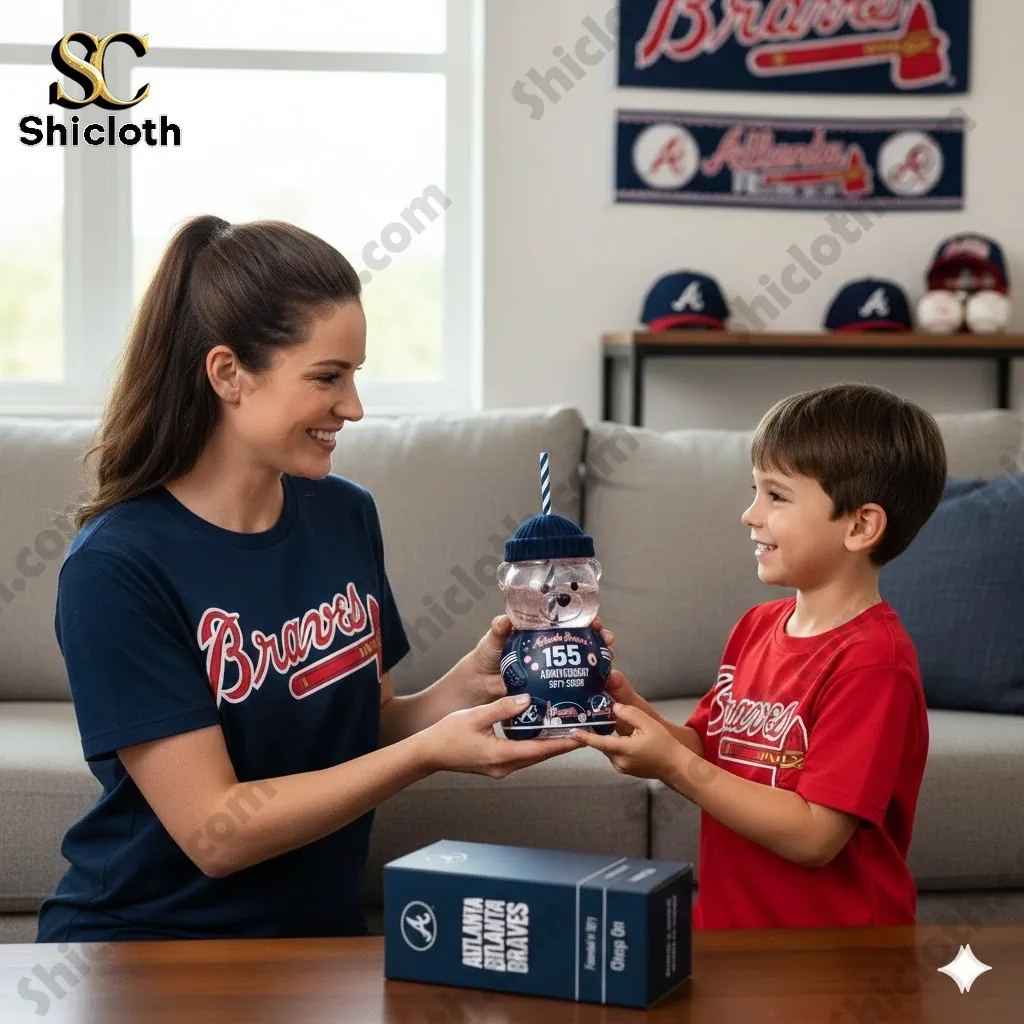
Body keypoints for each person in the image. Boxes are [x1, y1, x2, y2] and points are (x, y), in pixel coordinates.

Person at [36, 215, 610, 942]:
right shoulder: (117, 567)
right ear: (227, 374)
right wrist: (426, 755)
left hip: (317, 938)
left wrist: (463, 692)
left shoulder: (344, 514)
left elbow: (360, 724)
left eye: (356, 375)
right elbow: (216, 832)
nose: (354, 407)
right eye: (327, 377)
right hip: (152, 944)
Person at [573, 383, 946, 929]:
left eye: (776, 496)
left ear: (861, 525)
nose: (750, 514)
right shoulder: (756, 627)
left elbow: (815, 836)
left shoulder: (873, 664)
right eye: (755, 490)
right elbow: (706, 746)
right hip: (730, 933)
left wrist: (675, 768)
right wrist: (624, 706)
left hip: (835, 960)